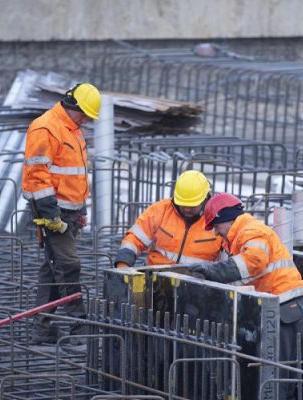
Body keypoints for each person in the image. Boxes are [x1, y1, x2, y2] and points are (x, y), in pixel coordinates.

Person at [189, 193, 303, 399]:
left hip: (286, 311)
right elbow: (247, 276)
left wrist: (215, 272)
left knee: (277, 382)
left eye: (216, 227)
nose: (217, 233)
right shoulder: (238, 238)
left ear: (225, 219)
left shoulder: (251, 230)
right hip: (279, 311)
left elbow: (253, 261)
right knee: (272, 380)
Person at [22, 82, 101, 345]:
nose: (87, 121)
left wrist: (81, 209)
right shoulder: (45, 128)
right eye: (86, 115)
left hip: (69, 212)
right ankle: (79, 326)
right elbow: (36, 176)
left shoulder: (73, 129)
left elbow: (76, 174)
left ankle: (42, 329)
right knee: (69, 267)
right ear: (73, 107)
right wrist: (50, 216)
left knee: (52, 269)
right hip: (53, 213)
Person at [112, 170, 223, 268]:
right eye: (182, 204)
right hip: (155, 282)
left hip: (198, 286)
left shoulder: (219, 221)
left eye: (192, 206)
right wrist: (123, 263)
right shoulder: (160, 211)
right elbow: (134, 240)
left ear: (205, 199)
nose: (187, 209)